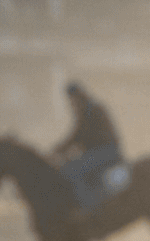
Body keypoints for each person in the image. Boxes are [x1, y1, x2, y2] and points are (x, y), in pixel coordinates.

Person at [51, 80, 127, 211]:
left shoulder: (90, 110)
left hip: (106, 151)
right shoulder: (89, 109)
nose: (71, 103)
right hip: (102, 150)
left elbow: (79, 135)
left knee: (72, 171)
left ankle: (87, 207)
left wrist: (59, 150)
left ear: (77, 96)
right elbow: (78, 136)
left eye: (71, 100)